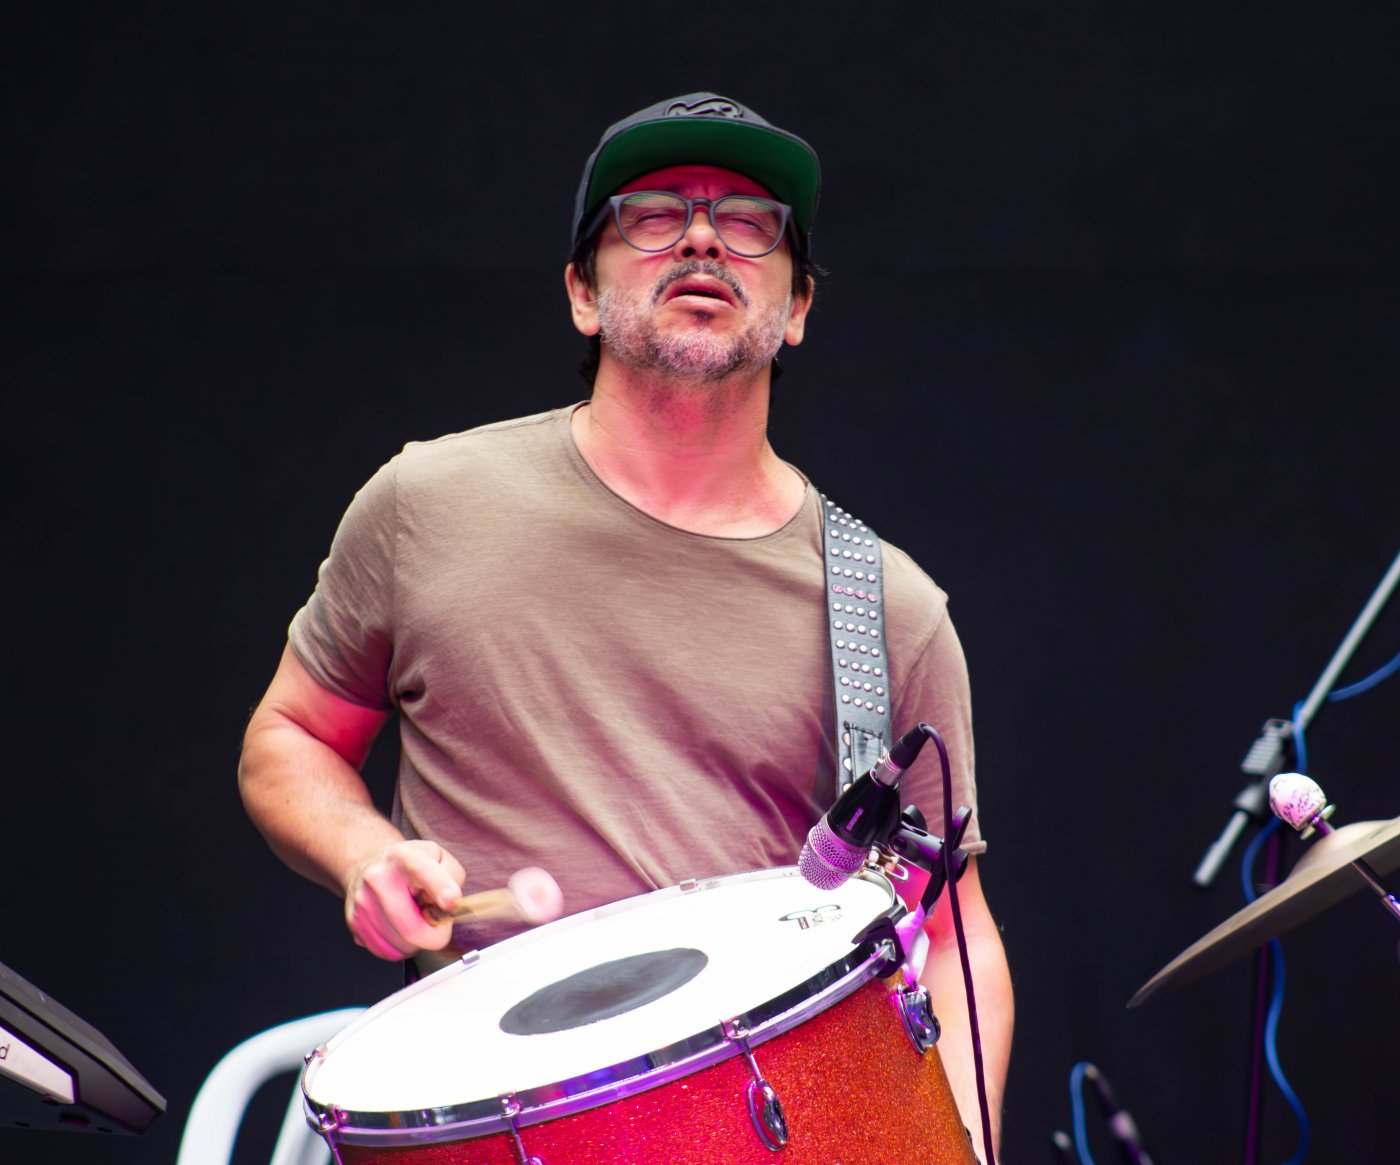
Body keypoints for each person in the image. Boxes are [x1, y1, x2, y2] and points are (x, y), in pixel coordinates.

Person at [239, 91, 1013, 1150]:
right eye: (651, 214)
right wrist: (365, 853)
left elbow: (955, 933)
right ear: (581, 294)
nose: (702, 238)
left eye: (750, 221)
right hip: (486, 1123)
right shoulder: (427, 505)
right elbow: (288, 738)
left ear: (796, 307)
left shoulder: (885, 606)